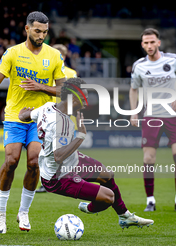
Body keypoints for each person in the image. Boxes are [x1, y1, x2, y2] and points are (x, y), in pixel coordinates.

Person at [19, 77, 154, 229]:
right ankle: (88, 207)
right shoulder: (61, 123)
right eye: (84, 97)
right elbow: (58, 156)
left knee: (106, 174)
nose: (86, 102)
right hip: (57, 176)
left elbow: (24, 116)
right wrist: (81, 136)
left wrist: (23, 113)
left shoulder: (48, 106)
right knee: (109, 197)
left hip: (68, 161)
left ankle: (124, 216)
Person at [0, 11, 66, 234]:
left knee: (34, 162)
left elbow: (66, 90)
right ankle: (0, 211)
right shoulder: (13, 53)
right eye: (37, 31)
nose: (41, 36)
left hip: (40, 118)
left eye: (45, 32)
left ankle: (24, 211)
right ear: (27, 29)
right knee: (11, 160)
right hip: (15, 117)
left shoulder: (54, 55)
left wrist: (42, 87)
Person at [129, 28, 176, 212]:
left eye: (152, 42)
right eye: (146, 43)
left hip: (173, 116)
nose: (149, 46)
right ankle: (150, 201)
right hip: (151, 116)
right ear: (142, 45)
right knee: (148, 159)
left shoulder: (173, 60)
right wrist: (134, 112)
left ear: (158, 42)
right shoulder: (139, 65)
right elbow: (133, 89)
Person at [36, 43, 77, 193]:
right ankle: (46, 181)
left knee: (63, 152)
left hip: (65, 118)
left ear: (64, 56)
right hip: (50, 117)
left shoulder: (71, 73)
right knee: (47, 151)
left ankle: (65, 179)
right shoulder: (46, 70)